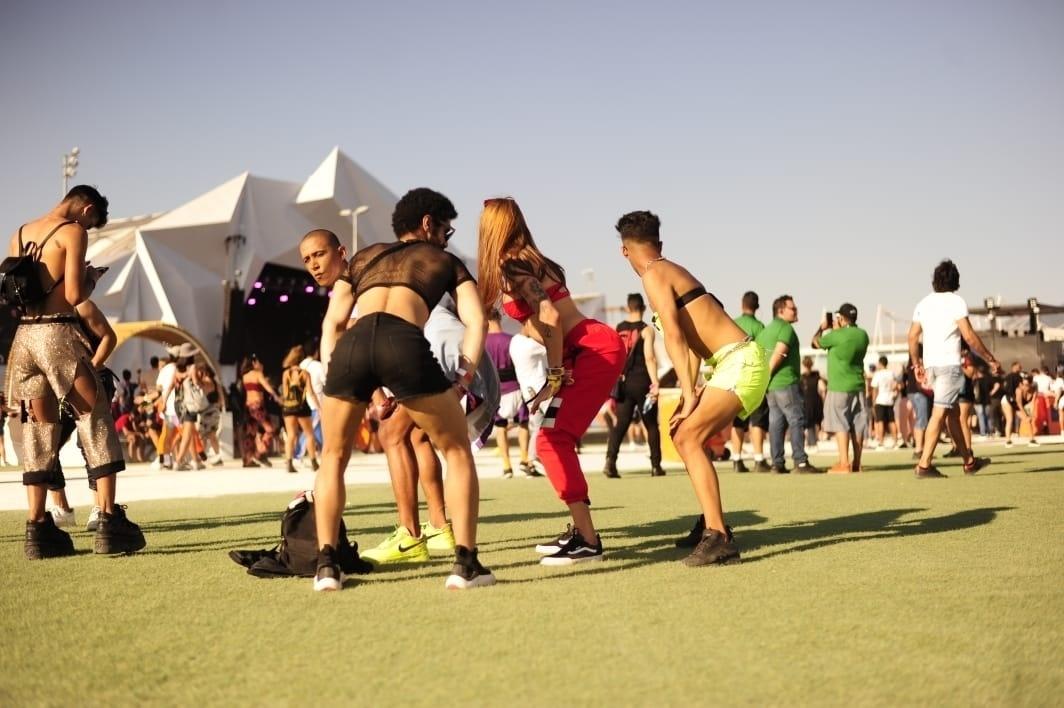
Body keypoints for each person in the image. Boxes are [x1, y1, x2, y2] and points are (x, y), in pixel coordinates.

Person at [313, 188, 494, 591]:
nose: (448, 238)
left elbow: (333, 324)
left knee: (333, 455)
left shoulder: (363, 257)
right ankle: (466, 564)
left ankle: (327, 566)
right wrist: (464, 377)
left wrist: (332, 370)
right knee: (456, 449)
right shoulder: (445, 260)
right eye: (446, 229)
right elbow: (477, 321)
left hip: (353, 345)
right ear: (428, 223)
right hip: (403, 342)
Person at [478, 197, 625, 566]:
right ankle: (581, 530)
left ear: (492, 226)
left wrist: (555, 373)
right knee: (550, 435)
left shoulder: (513, 264)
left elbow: (550, 317)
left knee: (550, 439)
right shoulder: (531, 259)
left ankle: (588, 539)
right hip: (585, 351)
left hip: (592, 351)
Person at [616, 210, 767, 565]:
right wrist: (694, 388)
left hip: (739, 361)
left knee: (686, 436)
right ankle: (710, 522)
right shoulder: (670, 270)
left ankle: (719, 538)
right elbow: (695, 337)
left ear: (624, 251)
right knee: (685, 436)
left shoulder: (653, 274)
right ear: (659, 243)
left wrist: (687, 396)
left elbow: (675, 334)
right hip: (735, 361)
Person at [5, 185, 143, 558]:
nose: (90, 229)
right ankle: (111, 521)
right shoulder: (73, 231)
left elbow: (18, 291)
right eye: (93, 222)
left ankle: (37, 529)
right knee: (94, 417)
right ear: (87, 209)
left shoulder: (19, 233)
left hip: (24, 339)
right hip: (57, 335)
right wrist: (90, 279)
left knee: (38, 432)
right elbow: (74, 295)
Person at [908, 259, 1001, 477]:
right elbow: (969, 335)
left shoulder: (923, 303)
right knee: (939, 414)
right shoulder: (956, 302)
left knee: (953, 414)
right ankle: (924, 465)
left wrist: (916, 364)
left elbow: (912, 336)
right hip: (949, 365)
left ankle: (969, 461)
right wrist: (989, 359)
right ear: (955, 281)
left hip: (930, 365)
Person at [755, 295, 823, 473]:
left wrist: (763, 380)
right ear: (780, 311)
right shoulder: (786, 329)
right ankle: (800, 461)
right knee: (796, 419)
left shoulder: (764, 332)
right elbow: (779, 353)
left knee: (775, 423)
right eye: (792, 308)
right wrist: (767, 375)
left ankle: (777, 463)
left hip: (771, 387)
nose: (796, 310)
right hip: (786, 383)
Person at [604, 293, 664, 478]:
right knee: (651, 424)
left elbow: (614, 355)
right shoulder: (646, 330)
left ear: (628, 307)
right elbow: (650, 358)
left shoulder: (618, 328)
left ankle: (610, 462)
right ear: (643, 308)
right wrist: (655, 383)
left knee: (621, 423)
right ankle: (656, 466)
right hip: (642, 382)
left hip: (623, 382)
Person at [812, 304, 870, 473]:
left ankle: (844, 463)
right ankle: (856, 463)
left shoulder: (836, 336)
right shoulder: (863, 335)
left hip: (839, 386)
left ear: (842, 318)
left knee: (840, 424)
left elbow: (815, 343)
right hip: (858, 385)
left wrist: (822, 328)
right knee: (857, 424)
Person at [485, 308, 539, 478]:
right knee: (523, 424)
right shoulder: (513, 340)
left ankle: (506, 466)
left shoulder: (483, 342)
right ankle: (524, 459)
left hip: (496, 391)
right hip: (517, 387)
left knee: (500, 427)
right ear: (499, 318)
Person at [729, 291, 771, 472]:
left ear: (741, 304)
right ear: (757, 307)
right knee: (757, 420)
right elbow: (764, 353)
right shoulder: (760, 327)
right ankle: (758, 458)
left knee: (738, 421)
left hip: (735, 379)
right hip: (753, 380)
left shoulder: (733, 323)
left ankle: (736, 459)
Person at [279, 344, 320, 474]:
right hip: (302, 407)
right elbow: (310, 392)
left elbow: (285, 394)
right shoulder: (305, 373)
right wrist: (319, 407)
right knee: (309, 434)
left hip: (289, 407)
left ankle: (289, 463)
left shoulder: (286, 374)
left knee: (291, 435)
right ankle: (314, 462)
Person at [240, 354, 280, 467]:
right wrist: (276, 397)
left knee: (251, 433)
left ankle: (248, 459)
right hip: (258, 406)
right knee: (270, 429)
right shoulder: (258, 374)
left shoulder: (245, 376)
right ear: (254, 363)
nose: (261, 365)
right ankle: (259, 454)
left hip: (248, 407)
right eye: (259, 362)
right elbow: (267, 387)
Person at [870, 356, 900, 448]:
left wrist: (873, 401)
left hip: (880, 400)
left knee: (880, 421)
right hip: (890, 400)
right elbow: (896, 386)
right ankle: (895, 442)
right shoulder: (891, 373)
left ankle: (881, 442)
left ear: (880, 363)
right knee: (892, 421)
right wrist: (895, 396)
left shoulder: (877, 374)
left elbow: (875, 389)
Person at [799, 356, 825, 452]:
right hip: (814, 401)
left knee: (809, 423)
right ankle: (813, 442)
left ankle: (811, 443)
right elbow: (823, 388)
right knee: (814, 422)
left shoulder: (802, 377)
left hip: (808, 401)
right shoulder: (816, 375)